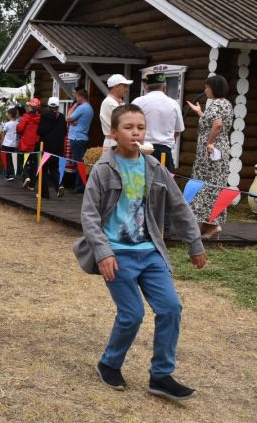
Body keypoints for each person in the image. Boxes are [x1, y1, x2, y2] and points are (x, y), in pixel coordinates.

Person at [74, 104, 206, 402]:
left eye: (140, 127)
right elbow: (90, 216)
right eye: (128, 127)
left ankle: (161, 375)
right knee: (132, 314)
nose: (135, 133)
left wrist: (194, 243)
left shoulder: (154, 168)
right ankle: (109, 363)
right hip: (116, 254)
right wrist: (103, 252)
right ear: (114, 133)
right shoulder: (104, 169)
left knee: (171, 308)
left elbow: (179, 207)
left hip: (150, 253)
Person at [186, 75, 234, 239]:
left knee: (210, 186)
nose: (205, 90)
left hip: (213, 153)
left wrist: (210, 143)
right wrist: (200, 112)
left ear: (214, 87)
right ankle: (206, 225)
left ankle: (213, 225)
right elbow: (212, 122)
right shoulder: (224, 104)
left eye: (207, 87)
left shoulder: (219, 104)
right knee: (208, 186)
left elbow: (218, 124)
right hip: (214, 153)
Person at [132, 73, 185, 172]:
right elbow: (178, 131)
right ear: (164, 87)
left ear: (147, 87)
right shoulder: (173, 104)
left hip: (141, 150)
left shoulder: (137, 102)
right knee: (162, 185)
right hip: (163, 152)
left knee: (137, 183)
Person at [37, 97, 67, 198]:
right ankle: (59, 186)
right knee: (54, 168)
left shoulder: (45, 116)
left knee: (44, 169)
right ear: (57, 106)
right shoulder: (62, 117)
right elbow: (65, 131)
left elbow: (40, 131)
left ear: (49, 106)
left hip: (46, 147)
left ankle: (44, 193)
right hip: (58, 147)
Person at [67, 88, 94, 194]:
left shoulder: (82, 107)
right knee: (80, 163)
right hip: (82, 137)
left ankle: (80, 187)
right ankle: (80, 185)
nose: (75, 98)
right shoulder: (89, 107)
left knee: (79, 164)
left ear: (80, 97)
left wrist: (74, 106)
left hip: (77, 138)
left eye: (76, 96)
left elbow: (68, 118)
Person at [100, 74, 132, 149]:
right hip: (114, 142)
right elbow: (126, 121)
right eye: (124, 86)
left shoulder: (114, 102)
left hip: (115, 141)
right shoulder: (111, 103)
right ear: (116, 87)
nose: (126, 89)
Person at [18, 98, 42, 191]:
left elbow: (20, 129)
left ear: (31, 107)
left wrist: (18, 129)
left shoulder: (26, 117)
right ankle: (32, 185)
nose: (27, 107)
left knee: (21, 162)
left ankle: (26, 177)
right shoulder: (40, 118)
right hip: (35, 143)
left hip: (25, 143)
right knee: (34, 164)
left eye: (29, 105)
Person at [1, 107, 19, 181]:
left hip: (6, 144)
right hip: (14, 144)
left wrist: (1, 142)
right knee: (13, 160)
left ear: (10, 115)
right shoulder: (18, 123)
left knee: (7, 159)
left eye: (8, 114)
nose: (7, 115)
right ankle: (11, 174)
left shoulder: (7, 124)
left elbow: (3, 133)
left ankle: (7, 175)